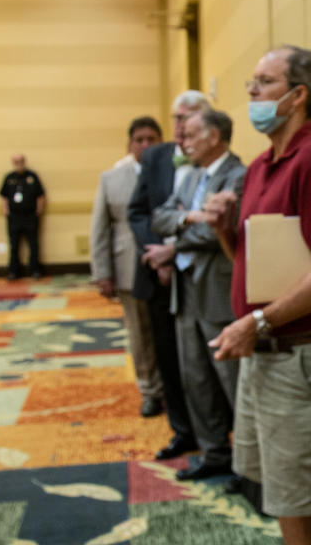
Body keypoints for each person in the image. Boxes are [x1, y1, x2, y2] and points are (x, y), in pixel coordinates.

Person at [206, 45, 311, 544]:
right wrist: (227, 230)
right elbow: (260, 271)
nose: (250, 91)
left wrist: (257, 323)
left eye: (264, 82)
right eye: (252, 81)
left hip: (300, 360)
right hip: (263, 356)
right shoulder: (260, 166)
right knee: (283, 493)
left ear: (297, 96)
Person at [152, 109, 246, 481]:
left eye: (190, 134)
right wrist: (189, 218)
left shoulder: (239, 176)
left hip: (218, 291)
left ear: (214, 136)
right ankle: (213, 453)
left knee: (231, 380)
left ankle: (247, 464)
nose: (182, 140)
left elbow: (218, 233)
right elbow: (160, 217)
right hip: (185, 290)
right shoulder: (191, 178)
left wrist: (175, 241)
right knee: (195, 378)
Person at [127, 91, 205, 462]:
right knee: (167, 358)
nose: (179, 126)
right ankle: (182, 431)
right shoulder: (156, 155)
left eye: (188, 117)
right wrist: (157, 255)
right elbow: (138, 211)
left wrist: (176, 253)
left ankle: (214, 433)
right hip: (158, 275)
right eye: (175, 117)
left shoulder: (213, 155)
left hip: (200, 274)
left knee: (203, 362)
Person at [90, 116, 165, 418]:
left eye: (152, 139)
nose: (146, 145)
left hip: (168, 265)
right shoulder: (111, 178)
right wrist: (102, 272)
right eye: (139, 140)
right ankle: (150, 391)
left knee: (169, 333)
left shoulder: (174, 173)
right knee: (140, 334)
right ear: (130, 144)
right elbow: (99, 228)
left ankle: (175, 388)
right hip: (126, 267)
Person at [0, 154, 45, 279]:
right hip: (14, 216)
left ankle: (35, 270)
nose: (19, 163)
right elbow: (3, 196)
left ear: (24, 162)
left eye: (21, 161)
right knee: (14, 245)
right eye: (16, 161)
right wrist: (6, 211)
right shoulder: (9, 177)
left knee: (33, 244)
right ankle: (13, 271)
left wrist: (38, 211)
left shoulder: (32, 176)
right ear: (13, 163)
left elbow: (40, 195)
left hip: (30, 216)